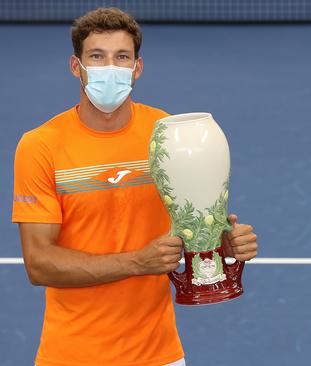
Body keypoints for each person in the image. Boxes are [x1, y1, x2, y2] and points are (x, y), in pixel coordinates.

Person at [12, 8, 258, 366]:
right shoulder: (40, 146)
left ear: (136, 68)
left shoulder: (165, 134)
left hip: (160, 355)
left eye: (121, 57)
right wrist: (137, 262)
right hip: (70, 356)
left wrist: (225, 241)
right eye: (97, 56)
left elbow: (189, 228)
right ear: (75, 66)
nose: (109, 67)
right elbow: (39, 264)